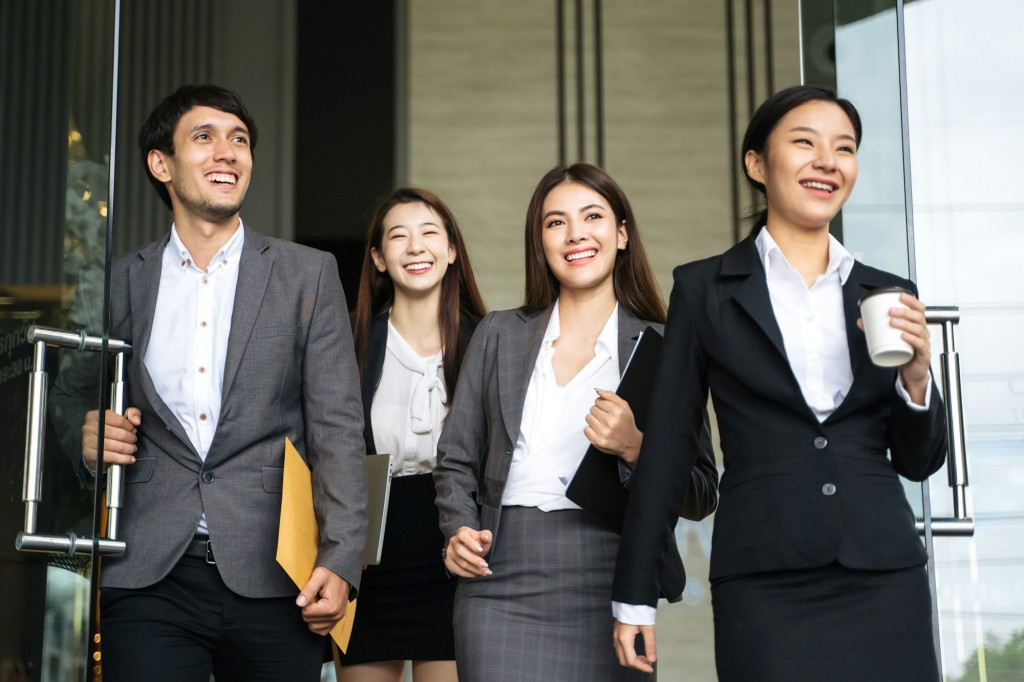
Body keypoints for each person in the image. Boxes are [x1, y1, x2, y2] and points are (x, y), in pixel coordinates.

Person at [611, 85, 946, 682]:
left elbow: (918, 462)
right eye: (805, 142)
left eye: (844, 148)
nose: (827, 161)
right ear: (757, 164)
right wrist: (634, 595)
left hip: (884, 574)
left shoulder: (887, 293)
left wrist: (917, 380)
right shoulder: (704, 290)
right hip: (765, 581)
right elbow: (665, 452)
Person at [49, 84, 367, 682]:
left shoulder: (308, 275)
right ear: (161, 164)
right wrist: (85, 434)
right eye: (205, 138)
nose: (228, 153)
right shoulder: (121, 282)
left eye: (239, 140)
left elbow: (338, 428)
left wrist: (342, 557)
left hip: (277, 575)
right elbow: (70, 396)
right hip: (148, 573)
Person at [433, 162, 719, 681]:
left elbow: (702, 493)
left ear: (622, 234)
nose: (576, 234)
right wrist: (458, 528)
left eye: (592, 216)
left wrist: (636, 447)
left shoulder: (663, 347)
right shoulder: (498, 334)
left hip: (614, 575)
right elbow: (454, 459)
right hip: (500, 576)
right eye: (555, 222)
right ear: (539, 240)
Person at [337, 187, 487, 681]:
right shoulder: (349, 343)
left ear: (451, 251)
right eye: (398, 237)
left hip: (456, 554)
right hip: (368, 557)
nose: (415, 247)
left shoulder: (487, 342)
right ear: (379, 258)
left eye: (429, 234)